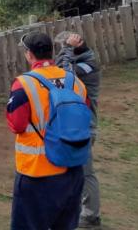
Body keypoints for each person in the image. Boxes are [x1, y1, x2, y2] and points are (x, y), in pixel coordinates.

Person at [7, 31, 89, 230]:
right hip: (72, 169)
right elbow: (86, 116)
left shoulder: (23, 84)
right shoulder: (75, 82)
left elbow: (16, 124)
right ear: (52, 52)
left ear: (29, 54)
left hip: (37, 173)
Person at [55, 32, 101, 228]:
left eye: (64, 49)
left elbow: (65, 75)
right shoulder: (81, 59)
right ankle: (75, 210)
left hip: (84, 127)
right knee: (70, 171)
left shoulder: (88, 64)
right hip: (75, 125)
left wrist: (66, 49)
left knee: (85, 172)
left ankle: (91, 216)